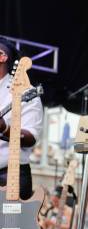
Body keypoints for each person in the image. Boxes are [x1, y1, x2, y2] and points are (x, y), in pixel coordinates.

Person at [0, 37, 43, 200]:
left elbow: (31, 137)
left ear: (2, 56)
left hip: (10, 176)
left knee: (9, 226)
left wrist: (4, 128)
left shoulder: (24, 91)